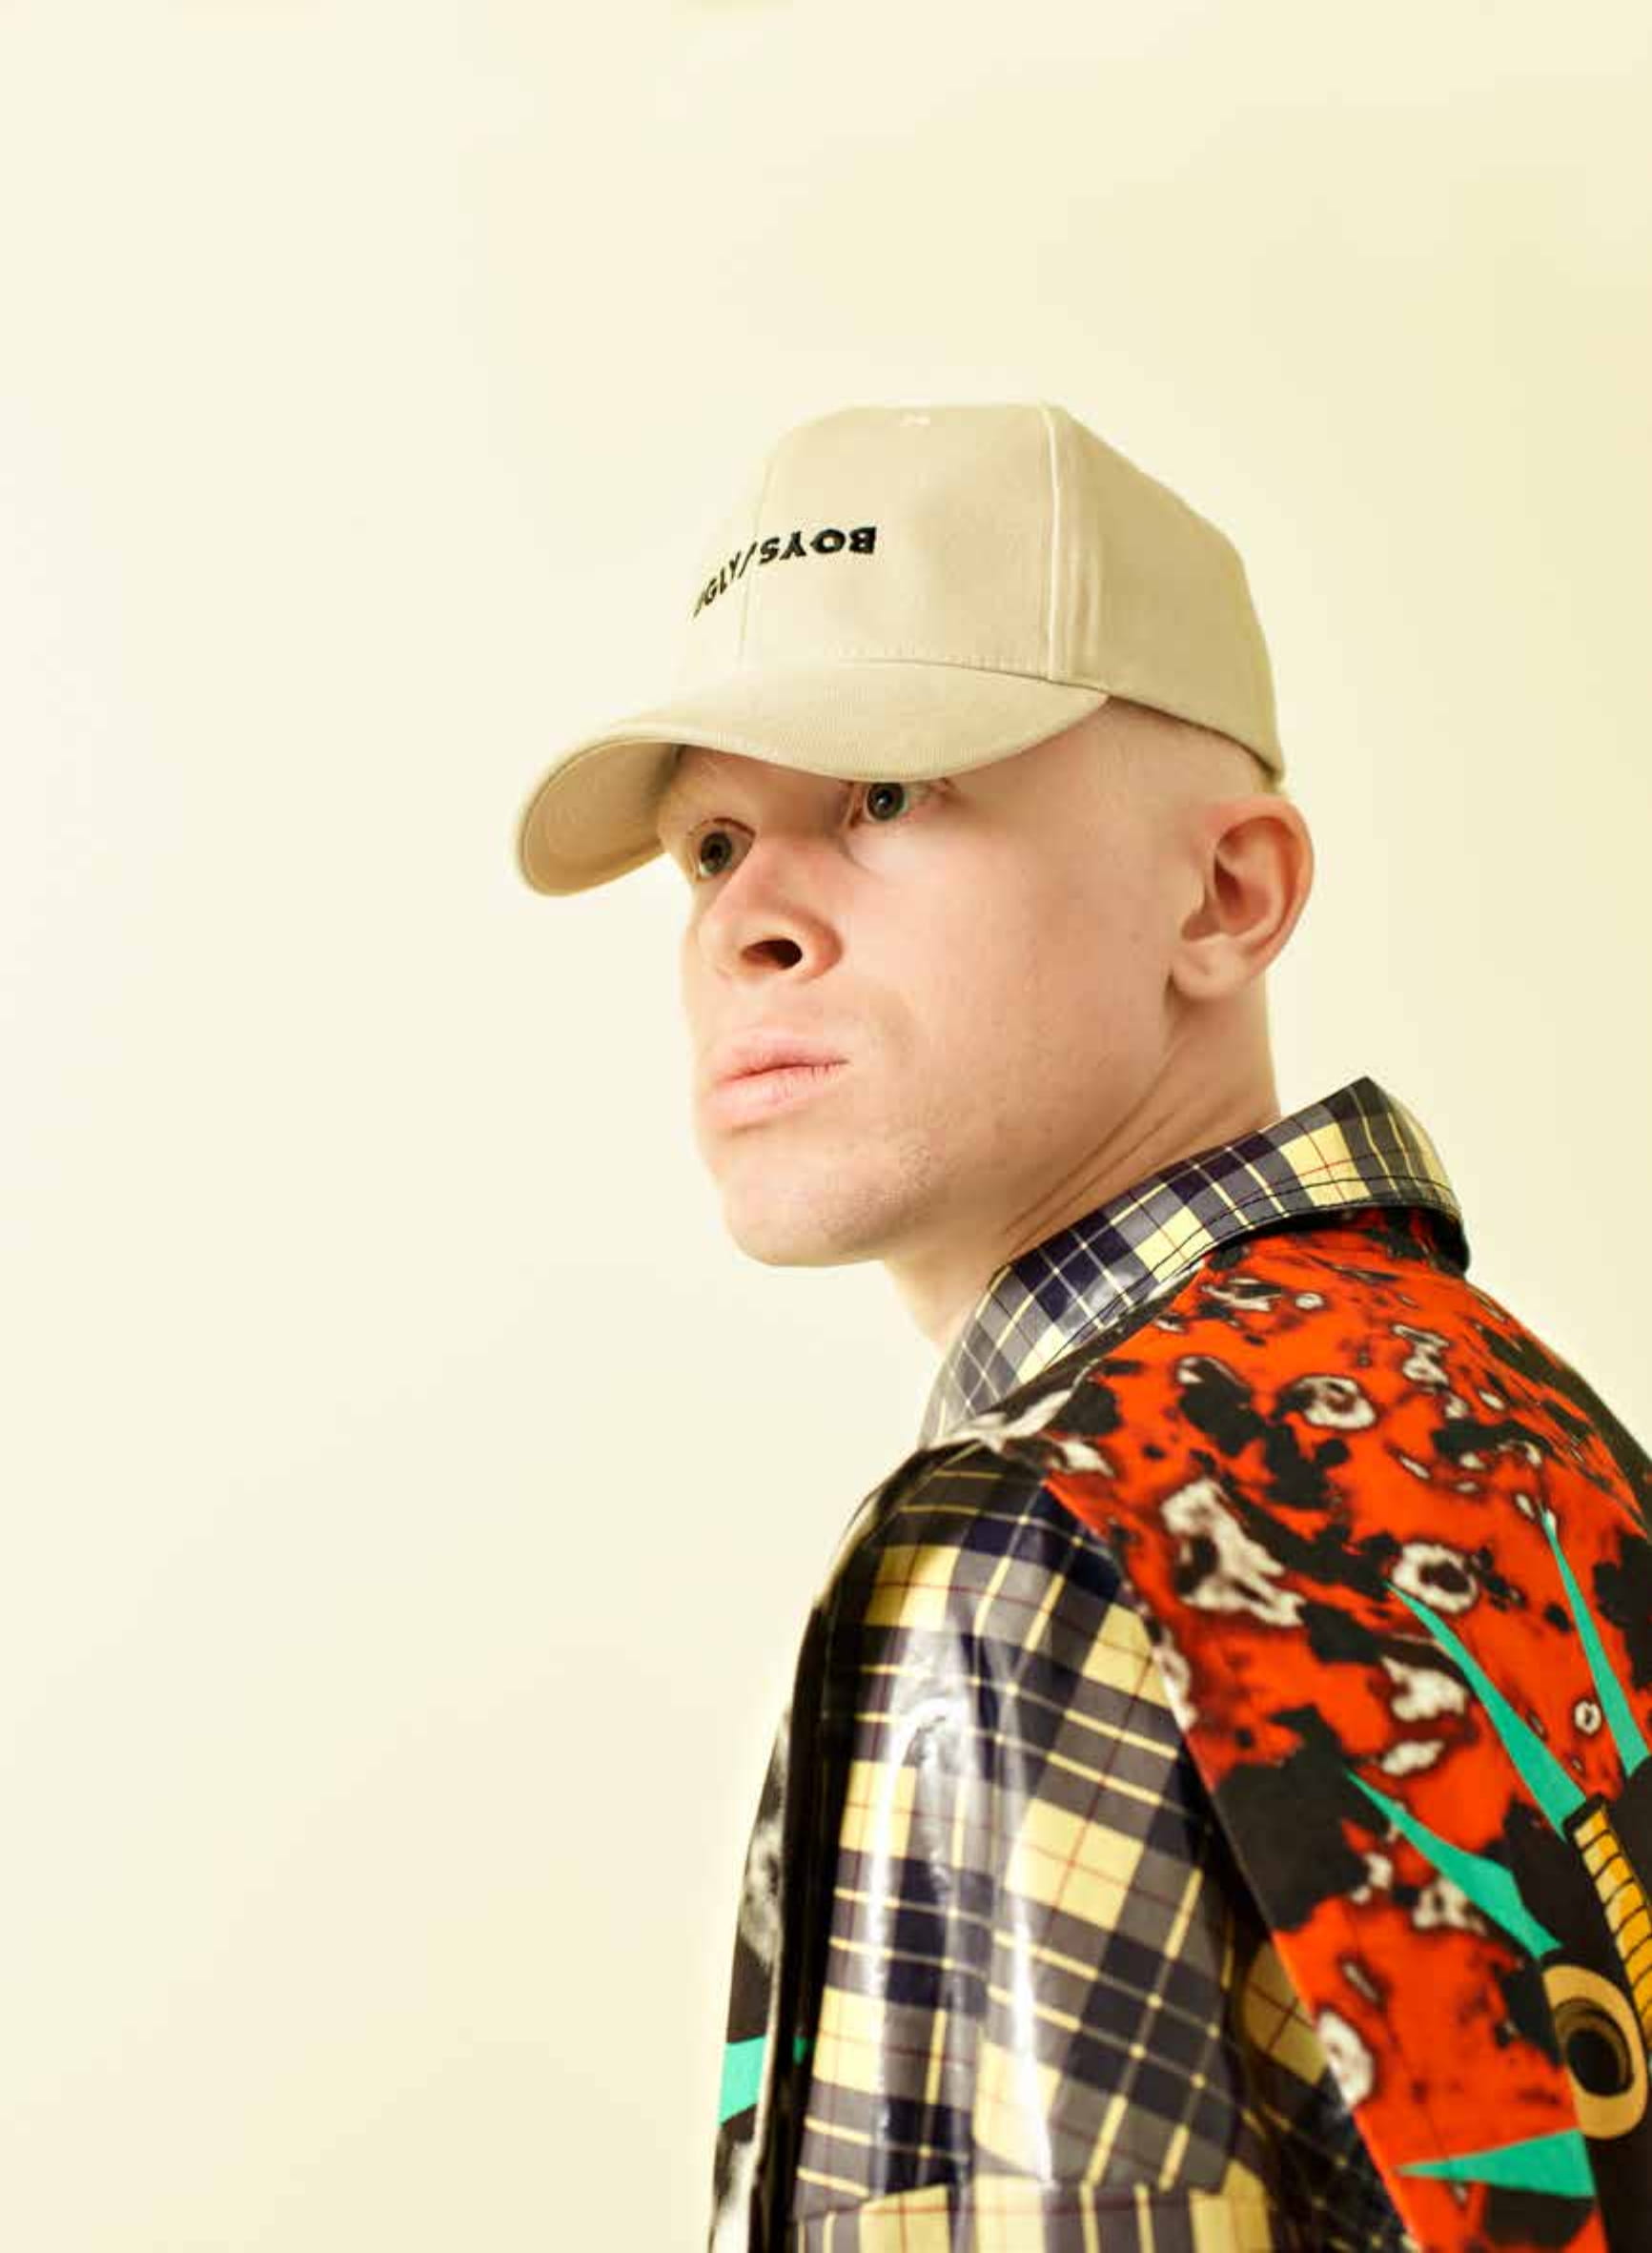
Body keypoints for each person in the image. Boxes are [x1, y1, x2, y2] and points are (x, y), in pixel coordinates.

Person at [513, 401, 1651, 2253]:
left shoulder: (1032, 1549)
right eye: (710, 844)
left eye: (884, 795)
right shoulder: (1522, 1428)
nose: (748, 925)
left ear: (1224, 893)